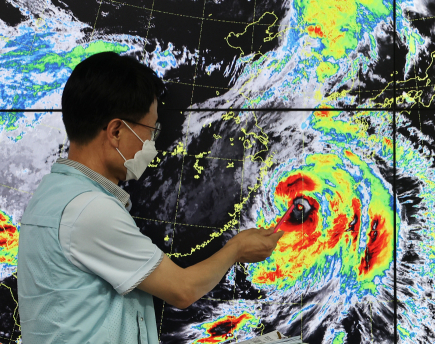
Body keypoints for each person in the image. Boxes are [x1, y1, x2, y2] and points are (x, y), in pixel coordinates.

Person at [16, 52, 284, 344]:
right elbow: (182, 289)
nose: (152, 146)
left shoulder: (52, 195)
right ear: (116, 131)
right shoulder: (89, 209)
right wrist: (237, 249)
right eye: (150, 132)